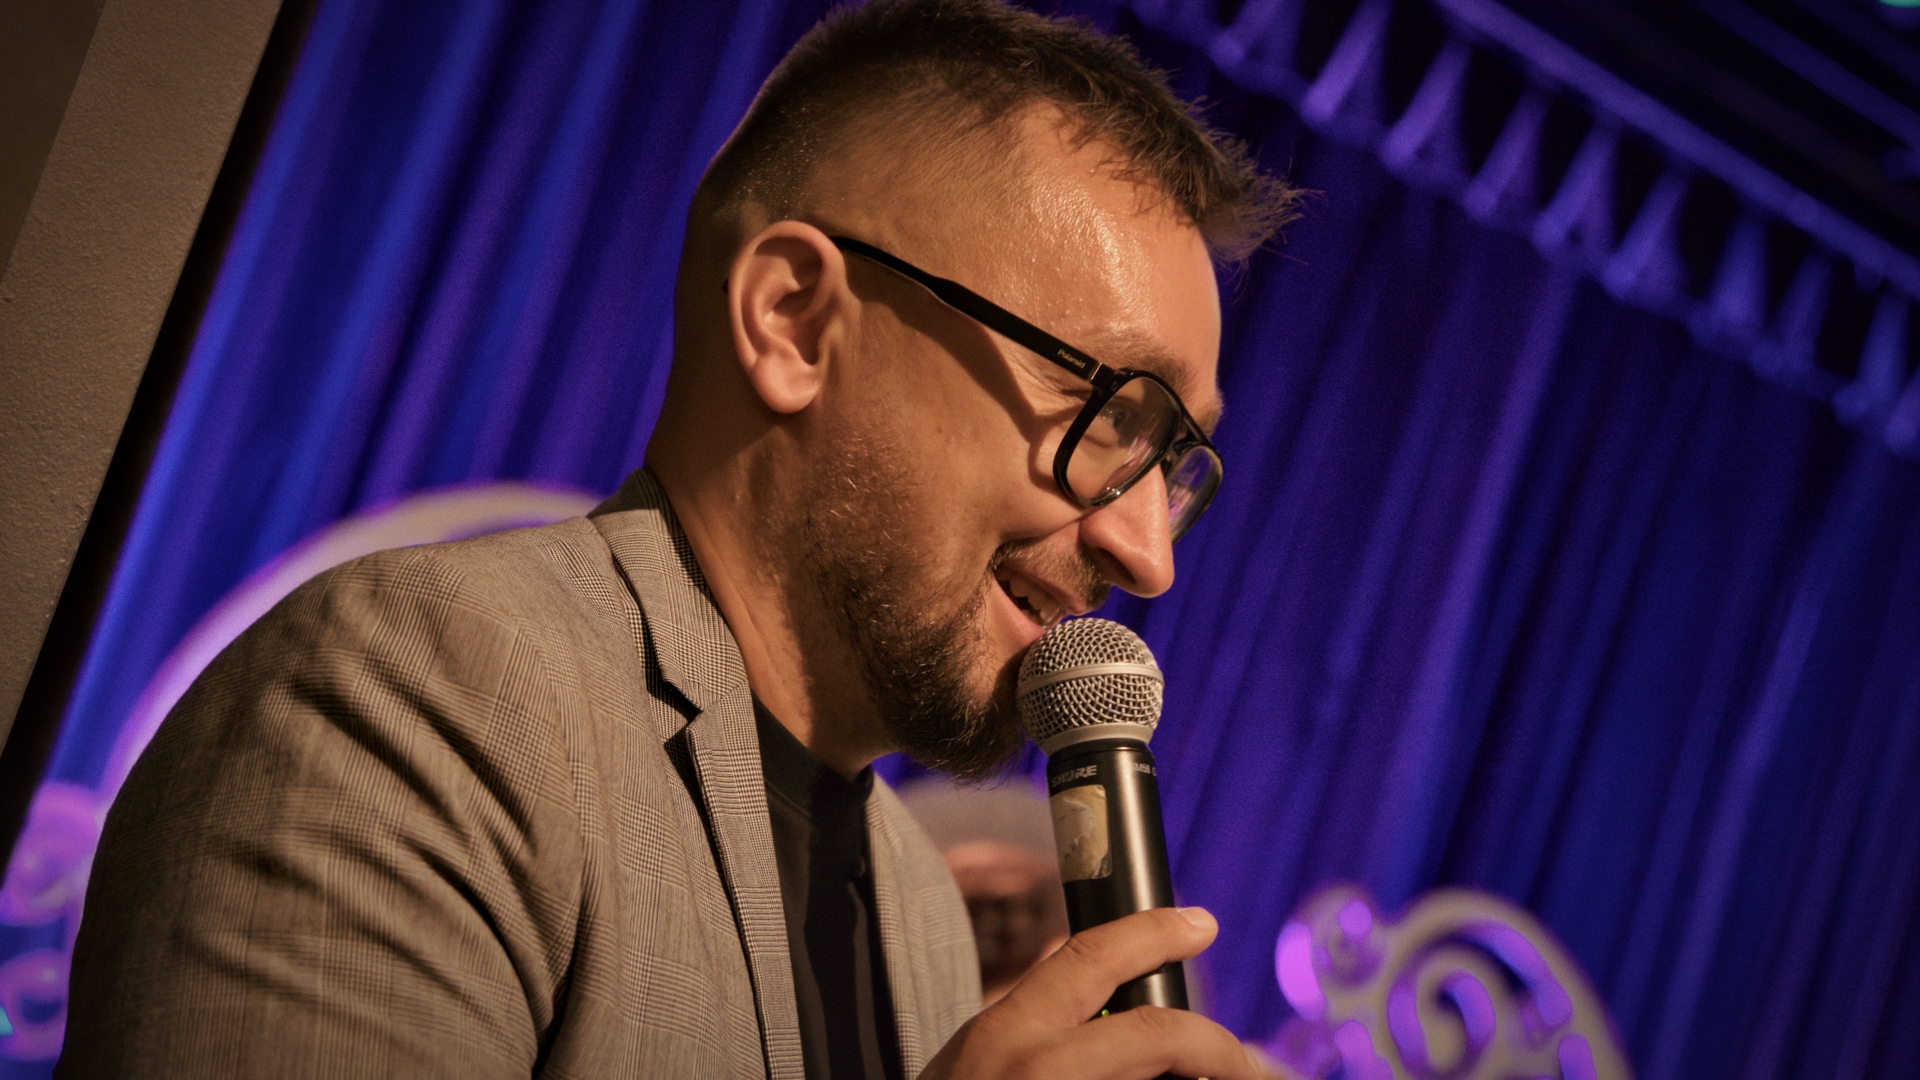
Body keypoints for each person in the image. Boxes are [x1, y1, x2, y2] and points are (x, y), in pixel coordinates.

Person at [59, 0, 1298, 1076]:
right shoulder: (411, 697)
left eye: (1172, 463)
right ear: (795, 323)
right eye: (1109, 414)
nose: (1148, 555)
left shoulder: (922, 905)